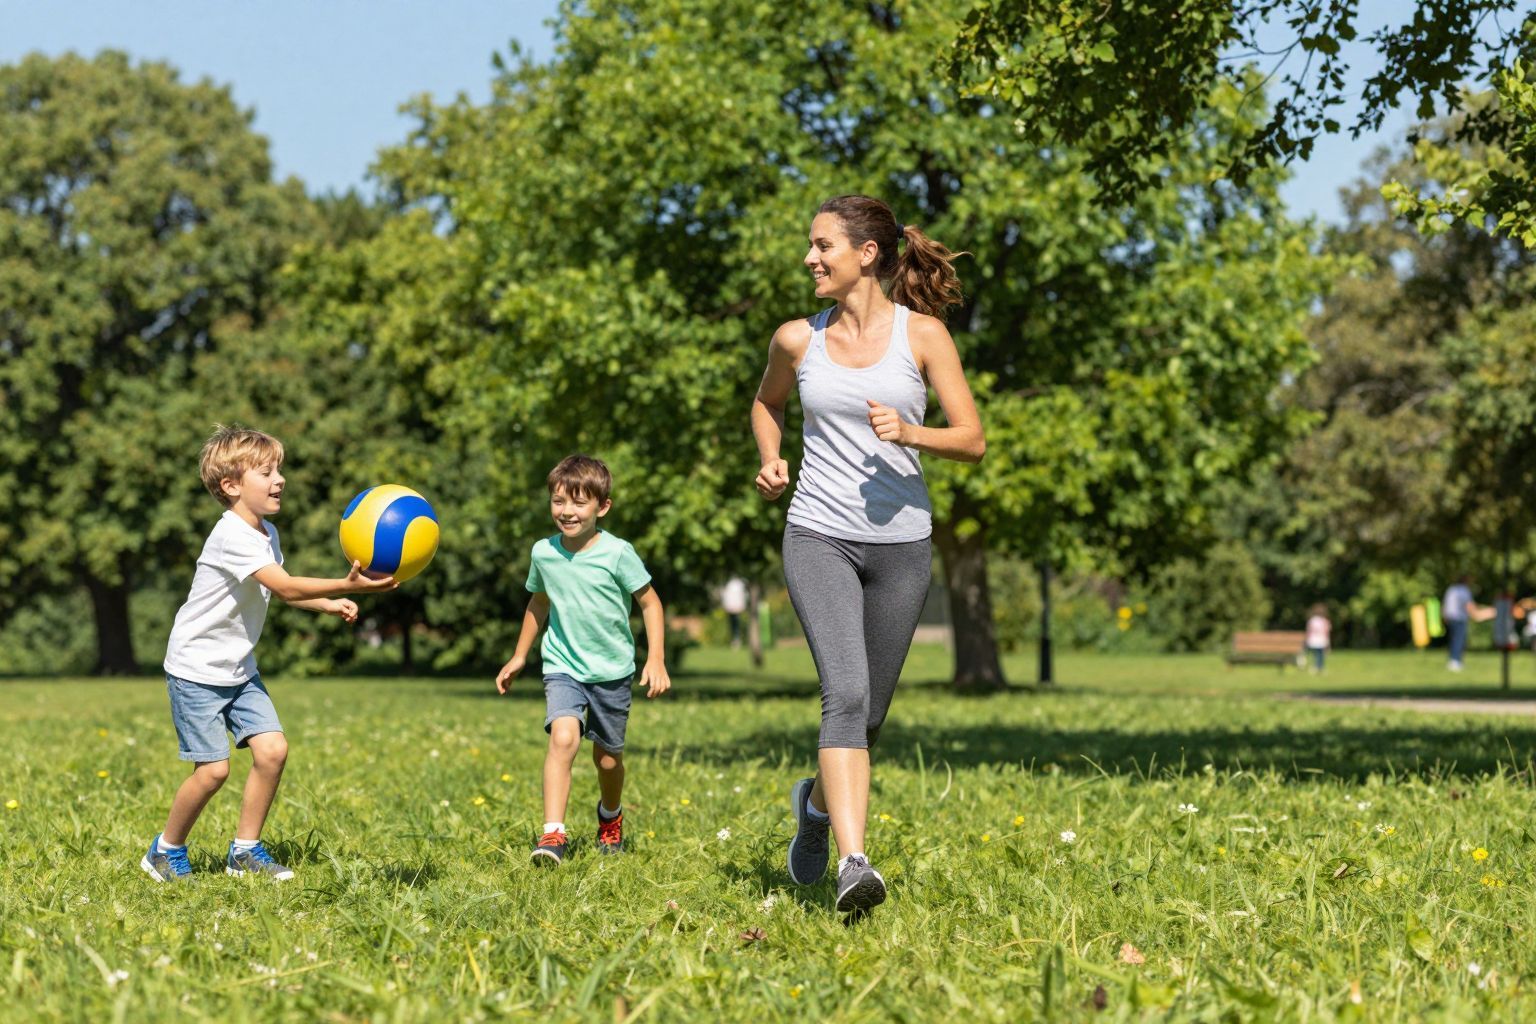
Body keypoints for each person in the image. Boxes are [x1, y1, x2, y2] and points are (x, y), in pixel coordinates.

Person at [751, 194, 984, 915]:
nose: (810, 258)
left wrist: (911, 434)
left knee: (868, 715)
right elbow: (767, 405)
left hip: (903, 546)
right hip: (818, 532)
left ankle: (815, 809)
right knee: (844, 695)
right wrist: (771, 457)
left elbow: (971, 439)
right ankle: (854, 864)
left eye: (823, 246)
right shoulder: (797, 339)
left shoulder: (925, 337)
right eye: (811, 245)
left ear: (868, 255)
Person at [143, 426, 397, 883]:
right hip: (197, 669)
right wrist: (346, 584)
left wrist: (325, 603)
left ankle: (244, 851)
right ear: (231, 486)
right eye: (266, 472)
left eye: (278, 469)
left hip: (238, 668)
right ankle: (165, 850)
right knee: (213, 772)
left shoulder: (266, 532)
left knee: (273, 750)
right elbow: (283, 584)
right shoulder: (231, 536)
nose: (279, 479)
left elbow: (279, 587)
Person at [495, 455, 670, 866]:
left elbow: (650, 603)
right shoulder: (544, 552)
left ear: (602, 507)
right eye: (558, 501)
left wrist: (656, 658)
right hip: (563, 665)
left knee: (608, 759)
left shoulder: (617, 553)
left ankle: (610, 816)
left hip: (611, 671)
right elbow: (538, 603)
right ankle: (553, 834)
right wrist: (520, 655)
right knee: (563, 739)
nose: (566, 512)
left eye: (578, 503)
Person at [1442, 575, 1488, 672]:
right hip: (1459, 618)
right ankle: (1455, 661)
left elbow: (1445, 605)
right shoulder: (1464, 591)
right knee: (1459, 640)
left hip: (1450, 617)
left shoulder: (1451, 589)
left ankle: (1453, 659)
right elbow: (1469, 607)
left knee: (1453, 639)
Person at [721, 576, 748, 647]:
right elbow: (727, 596)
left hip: (736, 608)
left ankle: (737, 640)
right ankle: (734, 640)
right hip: (732, 608)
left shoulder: (738, 584)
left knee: (736, 625)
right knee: (733, 625)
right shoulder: (730, 584)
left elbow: (742, 596)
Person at [1304, 603, 1331, 673]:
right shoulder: (1324, 621)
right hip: (1321, 640)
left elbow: (1309, 631)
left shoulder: (1312, 620)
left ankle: (1317, 666)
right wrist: (1328, 642)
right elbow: (1326, 632)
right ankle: (1319, 667)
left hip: (1313, 640)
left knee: (1316, 655)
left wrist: (1307, 640)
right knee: (1320, 655)